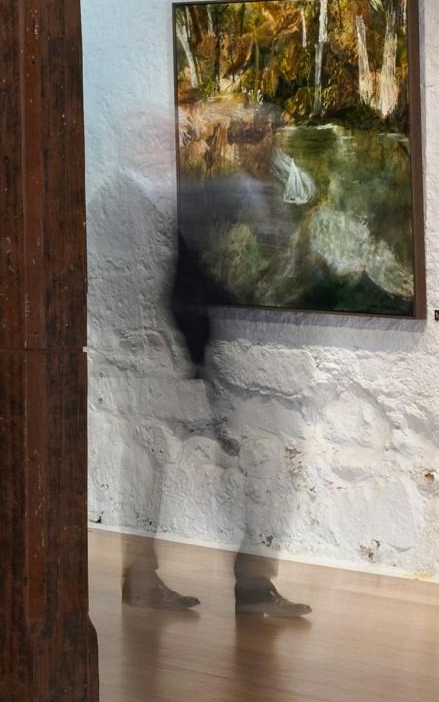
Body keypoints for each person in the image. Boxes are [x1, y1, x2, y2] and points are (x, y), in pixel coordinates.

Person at [118, 188, 311, 620]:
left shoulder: (194, 200)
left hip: (196, 350)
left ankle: (249, 584)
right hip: (182, 352)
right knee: (157, 458)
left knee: (257, 457)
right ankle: (244, 584)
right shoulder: (189, 200)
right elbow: (181, 283)